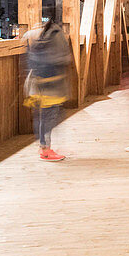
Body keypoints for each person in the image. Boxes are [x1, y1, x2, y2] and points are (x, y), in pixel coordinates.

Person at [23, 19, 73, 162]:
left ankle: (46, 147)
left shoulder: (40, 37)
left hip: (39, 84)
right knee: (47, 117)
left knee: (47, 116)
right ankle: (45, 149)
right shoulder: (54, 35)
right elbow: (61, 58)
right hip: (48, 87)